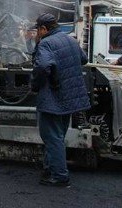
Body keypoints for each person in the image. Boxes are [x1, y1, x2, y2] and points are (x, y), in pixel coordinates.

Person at [31, 13, 90, 188]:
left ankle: (60, 176)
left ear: (43, 28)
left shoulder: (46, 43)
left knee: (51, 137)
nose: (37, 34)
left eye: (38, 30)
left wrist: (35, 85)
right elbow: (84, 59)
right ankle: (49, 169)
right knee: (58, 135)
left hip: (53, 97)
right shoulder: (70, 39)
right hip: (69, 97)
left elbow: (42, 67)